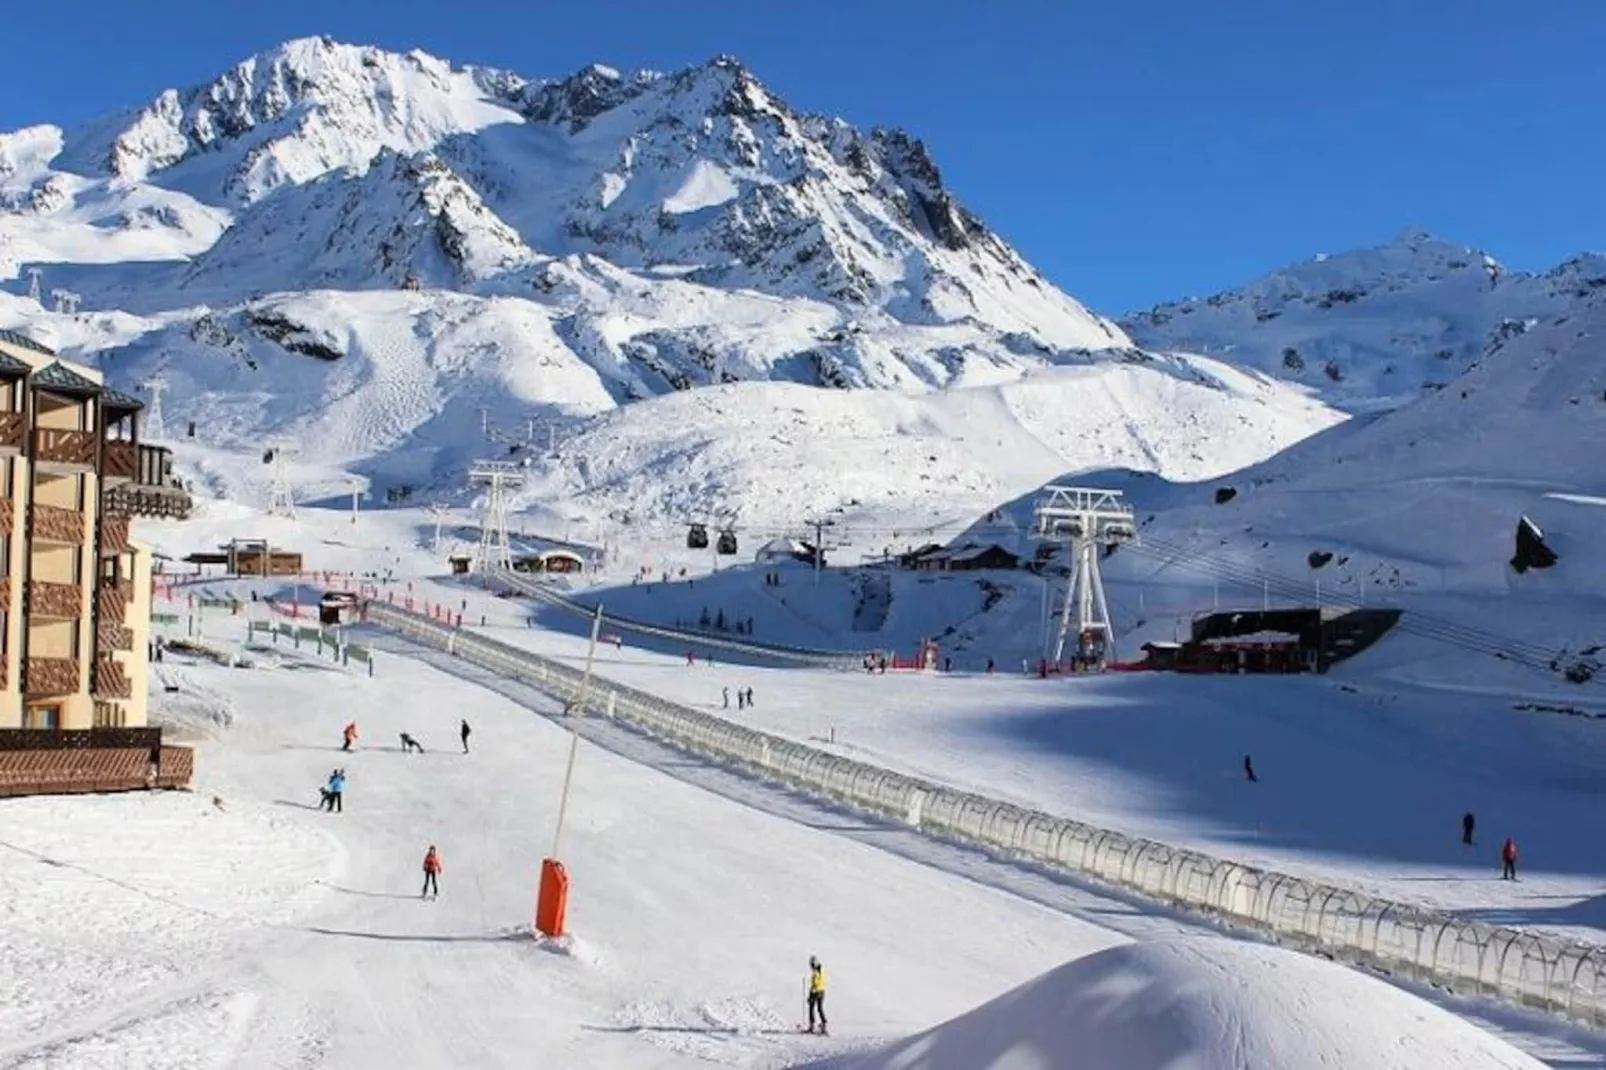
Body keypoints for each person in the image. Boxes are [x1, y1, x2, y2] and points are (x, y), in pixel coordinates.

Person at [806, 956, 828, 1035]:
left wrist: (811, 994)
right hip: (822, 991)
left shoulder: (816, 972)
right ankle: (824, 1023)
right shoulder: (821, 970)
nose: (811, 966)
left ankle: (812, 1025)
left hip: (816, 992)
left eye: (811, 964)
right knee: (819, 1008)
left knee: (811, 1007)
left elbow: (815, 984)